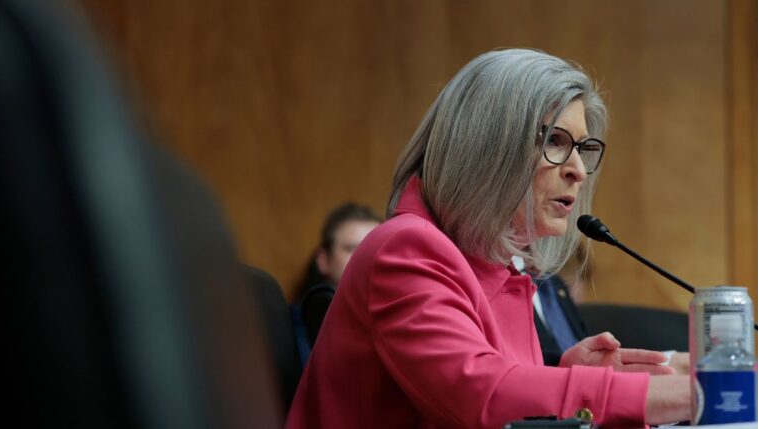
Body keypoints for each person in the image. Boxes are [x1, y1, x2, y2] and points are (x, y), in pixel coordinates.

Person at [286, 49, 690, 428]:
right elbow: (481, 395)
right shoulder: (405, 249)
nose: (578, 172)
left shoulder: (497, 265)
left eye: (582, 148)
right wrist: (660, 394)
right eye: (553, 140)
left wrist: (566, 376)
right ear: (486, 146)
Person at [292, 203, 382, 358]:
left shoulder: (397, 318)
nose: (366, 258)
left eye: (376, 248)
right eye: (352, 249)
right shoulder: (293, 326)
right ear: (324, 260)